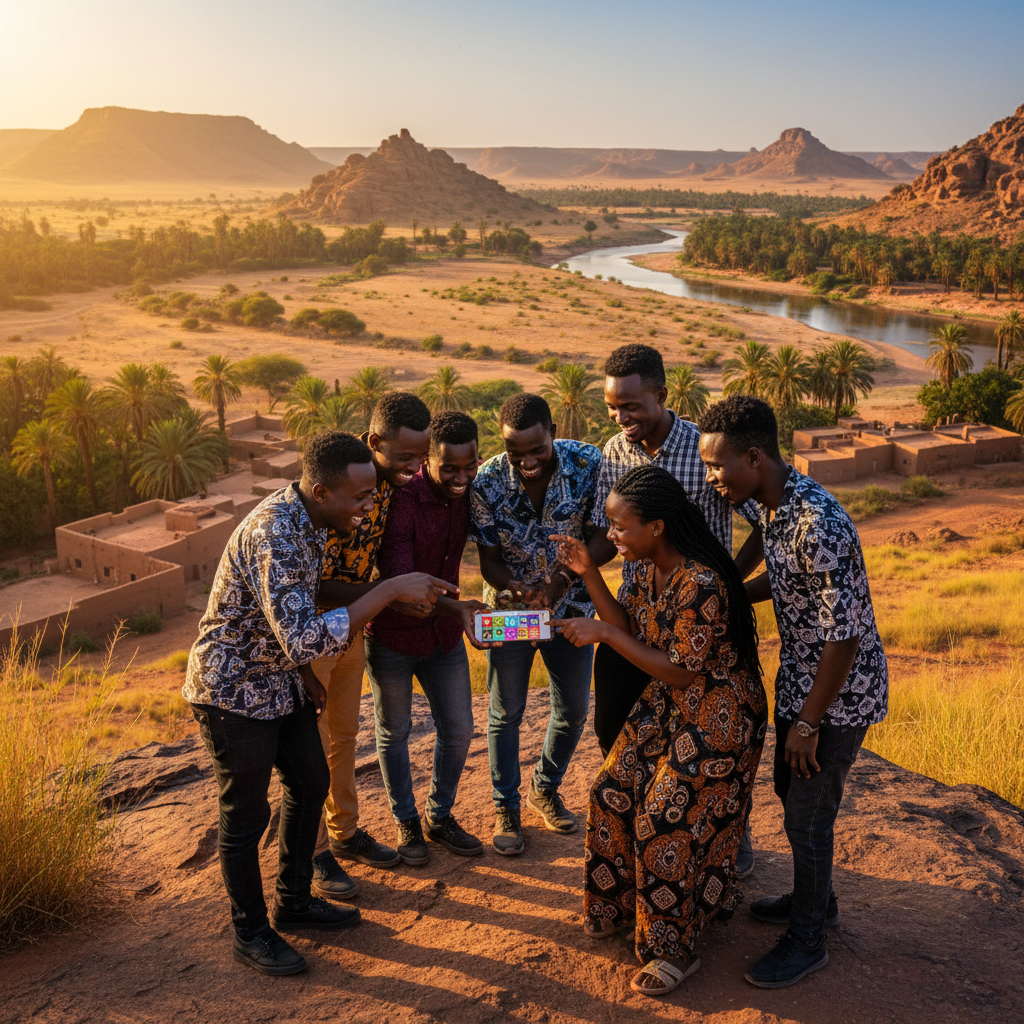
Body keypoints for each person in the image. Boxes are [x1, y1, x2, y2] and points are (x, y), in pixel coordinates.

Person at [183, 430, 453, 976]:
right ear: (322, 491)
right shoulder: (275, 534)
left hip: (280, 679)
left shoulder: (310, 521)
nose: (369, 505)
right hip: (233, 689)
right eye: (358, 497)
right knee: (245, 815)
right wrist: (388, 590)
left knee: (309, 783)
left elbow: (299, 608)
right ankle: (251, 931)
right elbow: (304, 634)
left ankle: (294, 899)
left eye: (371, 494)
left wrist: (305, 671)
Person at [551, 465, 767, 998]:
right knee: (609, 791)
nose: (611, 537)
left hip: (720, 713)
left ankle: (674, 946)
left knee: (662, 819)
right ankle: (627, 907)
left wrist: (600, 631)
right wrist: (587, 574)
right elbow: (630, 629)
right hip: (672, 705)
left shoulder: (701, 583)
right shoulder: (648, 568)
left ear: (658, 526)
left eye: (621, 528)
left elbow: (680, 668)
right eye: (609, 527)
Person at [697, 395, 888, 989]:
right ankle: (818, 900)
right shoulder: (769, 501)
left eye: (717, 466)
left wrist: (808, 723)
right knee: (789, 789)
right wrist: (735, 585)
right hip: (801, 681)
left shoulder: (817, 523)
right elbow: (777, 566)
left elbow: (844, 635)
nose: (711, 478)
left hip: (835, 693)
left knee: (808, 815)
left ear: (755, 456)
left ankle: (809, 940)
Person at [592, 342, 757, 878]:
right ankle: (646, 834)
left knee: (706, 739)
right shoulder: (614, 451)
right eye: (613, 408)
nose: (622, 419)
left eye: (632, 406)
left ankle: (723, 828)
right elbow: (606, 531)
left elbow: (763, 519)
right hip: (637, 611)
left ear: (661, 395)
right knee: (614, 727)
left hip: (695, 621)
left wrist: (729, 579)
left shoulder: (708, 449)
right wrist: (567, 572)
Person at [309, 392, 433, 899]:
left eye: (421, 458)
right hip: (313, 635)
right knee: (309, 749)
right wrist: (386, 594)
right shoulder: (335, 495)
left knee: (342, 740)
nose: (415, 468)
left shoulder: (390, 493)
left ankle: (342, 833)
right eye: (404, 458)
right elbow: (313, 585)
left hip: (352, 633)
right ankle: (312, 852)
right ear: (373, 443)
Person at [469, 393, 604, 856]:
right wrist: (519, 590)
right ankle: (506, 807)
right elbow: (487, 559)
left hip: (572, 609)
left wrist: (558, 584)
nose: (526, 461)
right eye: (515, 452)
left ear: (552, 430)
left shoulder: (588, 464)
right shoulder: (486, 481)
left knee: (573, 710)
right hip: (511, 614)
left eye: (536, 449)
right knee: (506, 712)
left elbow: (602, 535)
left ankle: (544, 787)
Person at [363, 411, 492, 863]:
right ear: (426, 462)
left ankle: (438, 816)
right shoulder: (402, 500)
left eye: (469, 466)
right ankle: (406, 821)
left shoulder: (469, 493)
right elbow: (403, 582)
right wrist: (460, 607)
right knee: (394, 731)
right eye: (450, 468)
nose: (461, 477)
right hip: (393, 636)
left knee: (459, 730)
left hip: (444, 638)